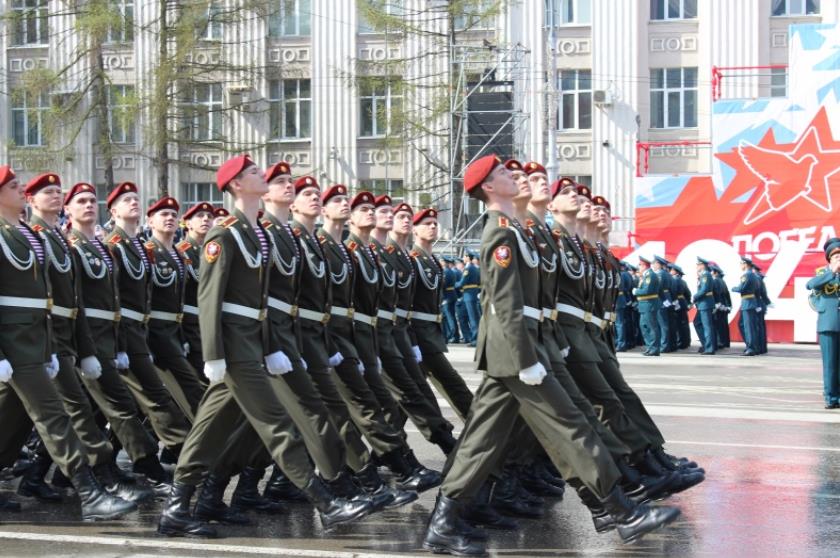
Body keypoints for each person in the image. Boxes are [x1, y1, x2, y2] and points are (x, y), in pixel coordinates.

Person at [423, 155, 679, 556]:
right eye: (504, 174)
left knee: (482, 440)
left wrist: (540, 344)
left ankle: (445, 522)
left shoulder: (517, 230)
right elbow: (505, 304)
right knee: (570, 425)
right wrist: (526, 358)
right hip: (515, 350)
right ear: (488, 188)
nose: (514, 176)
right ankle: (620, 510)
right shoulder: (500, 233)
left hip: (521, 347)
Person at [157, 155, 373, 538]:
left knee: (207, 432)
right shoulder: (224, 233)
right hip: (234, 349)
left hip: (253, 342)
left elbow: (263, 301)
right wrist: (213, 355)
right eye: (255, 173)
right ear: (237, 185)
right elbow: (209, 298)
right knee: (278, 425)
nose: (264, 176)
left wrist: (271, 345)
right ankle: (327, 502)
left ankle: (178, 507)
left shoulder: (255, 232)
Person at [0, 166, 136, 521]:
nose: (19, 190)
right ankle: (90, 493)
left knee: (10, 420)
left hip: (36, 340)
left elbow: (48, 296)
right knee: (53, 415)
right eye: (13, 187)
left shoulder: (26, 234)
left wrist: (49, 347)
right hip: (13, 342)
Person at [65, 183, 173, 492]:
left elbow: (115, 299)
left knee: (94, 409)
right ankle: (148, 467)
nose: (88, 205)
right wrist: (81, 348)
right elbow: (75, 300)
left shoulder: (102, 248)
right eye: (80, 201)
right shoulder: (71, 245)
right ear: (68, 210)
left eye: (90, 200)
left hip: (112, 336)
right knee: (118, 404)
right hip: (85, 338)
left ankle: (52, 474)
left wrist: (121, 345)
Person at [105, 182, 192, 455]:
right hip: (126, 331)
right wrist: (119, 344)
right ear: (113, 210)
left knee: (129, 401)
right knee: (152, 397)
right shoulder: (114, 245)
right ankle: (186, 457)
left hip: (146, 330)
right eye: (126, 199)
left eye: (135, 198)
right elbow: (114, 297)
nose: (133, 202)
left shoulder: (143, 250)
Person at [145, 197, 207, 416]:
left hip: (178, 331)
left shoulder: (179, 255)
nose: (169, 218)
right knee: (191, 388)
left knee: (181, 390)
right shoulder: (149, 252)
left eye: (173, 215)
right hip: (158, 331)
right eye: (163, 215)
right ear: (150, 221)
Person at [176, 202, 215, 373]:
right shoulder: (180, 251)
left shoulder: (213, 251)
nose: (206, 219)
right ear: (188, 223)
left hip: (211, 324)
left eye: (209, 217)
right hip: (191, 325)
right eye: (199, 216)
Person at [808, 238, 840, 409]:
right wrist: (832, 273)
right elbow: (810, 285)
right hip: (828, 323)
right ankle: (831, 397)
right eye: (836, 257)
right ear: (830, 259)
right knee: (830, 364)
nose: (839, 259)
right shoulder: (822, 273)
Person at [732, 256, 760, 356]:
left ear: (745, 264)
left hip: (747, 303)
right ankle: (753, 347)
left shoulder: (746, 276)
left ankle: (751, 348)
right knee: (749, 326)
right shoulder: (754, 276)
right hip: (751, 302)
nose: (740, 266)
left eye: (741, 264)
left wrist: (733, 288)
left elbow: (741, 288)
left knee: (748, 327)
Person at [633, 256, 660, 356]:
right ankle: (650, 347)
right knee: (644, 326)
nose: (638, 267)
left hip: (649, 304)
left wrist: (636, 291)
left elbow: (647, 290)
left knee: (651, 327)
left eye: (640, 265)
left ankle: (654, 349)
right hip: (644, 304)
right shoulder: (646, 275)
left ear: (644, 266)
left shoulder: (650, 275)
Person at [693, 258, 717, 355]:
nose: (697, 266)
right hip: (702, 303)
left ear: (703, 265)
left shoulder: (706, 275)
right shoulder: (703, 275)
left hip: (705, 303)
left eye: (698, 264)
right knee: (697, 322)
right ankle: (706, 344)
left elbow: (704, 289)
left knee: (707, 326)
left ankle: (710, 348)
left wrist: (695, 296)